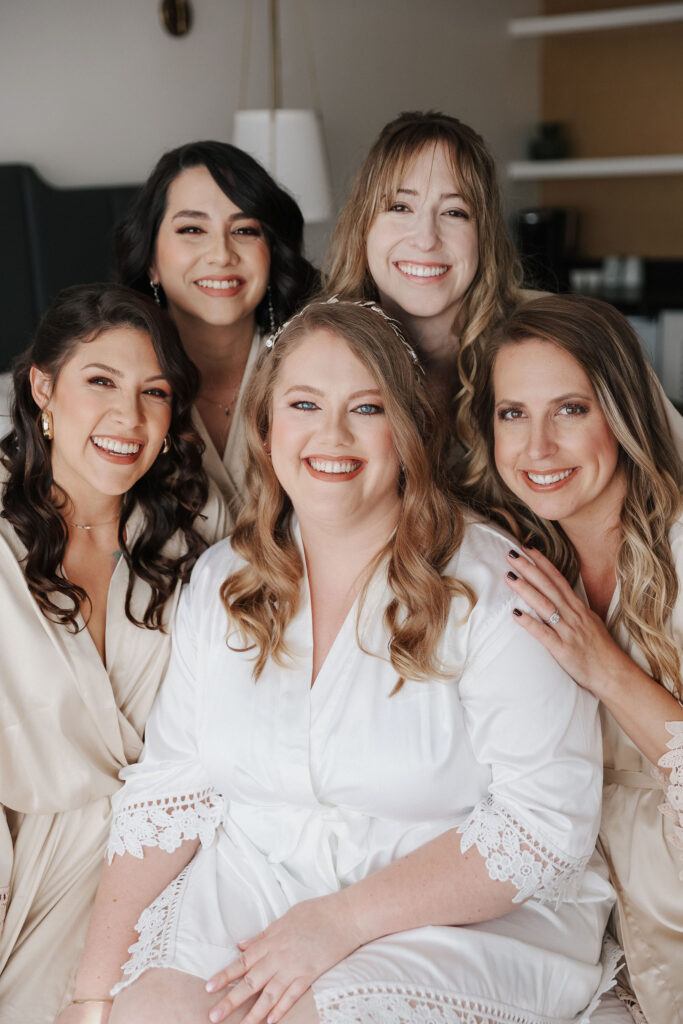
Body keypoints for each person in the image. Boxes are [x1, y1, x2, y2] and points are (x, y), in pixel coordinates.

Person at [59, 298, 618, 1024]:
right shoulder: (223, 580)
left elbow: (541, 823)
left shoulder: (492, 585)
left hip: (456, 911)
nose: (332, 435)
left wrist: (339, 922)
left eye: (366, 408)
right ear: (266, 427)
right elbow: (171, 793)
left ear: (409, 430)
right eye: (304, 404)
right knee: (149, 1014)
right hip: (257, 883)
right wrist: (90, 996)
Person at [0, 283, 229, 1022]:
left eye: (154, 392)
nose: (129, 418)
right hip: (16, 860)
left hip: (161, 859)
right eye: (100, 381)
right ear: (43, 388)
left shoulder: (198, 530)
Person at [467, 293, 683, 1022]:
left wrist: (605, 668)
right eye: (512, 413)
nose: (537, 448)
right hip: (575, 933)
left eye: (569, 409)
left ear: (621, 414)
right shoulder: (507, 564)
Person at [323, 110, 683, 469]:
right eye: (400, 207)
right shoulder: (320, 349)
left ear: (485, 235)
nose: (426, 239)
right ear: (363, 225)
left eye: (454, 212)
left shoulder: (565, 334)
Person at [116, 140, 318, 515]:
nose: (222, 255)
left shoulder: (317, 369)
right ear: (151, 262)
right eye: (192, 229)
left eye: (244, 230)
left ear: (272, 254)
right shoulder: (111, 387)